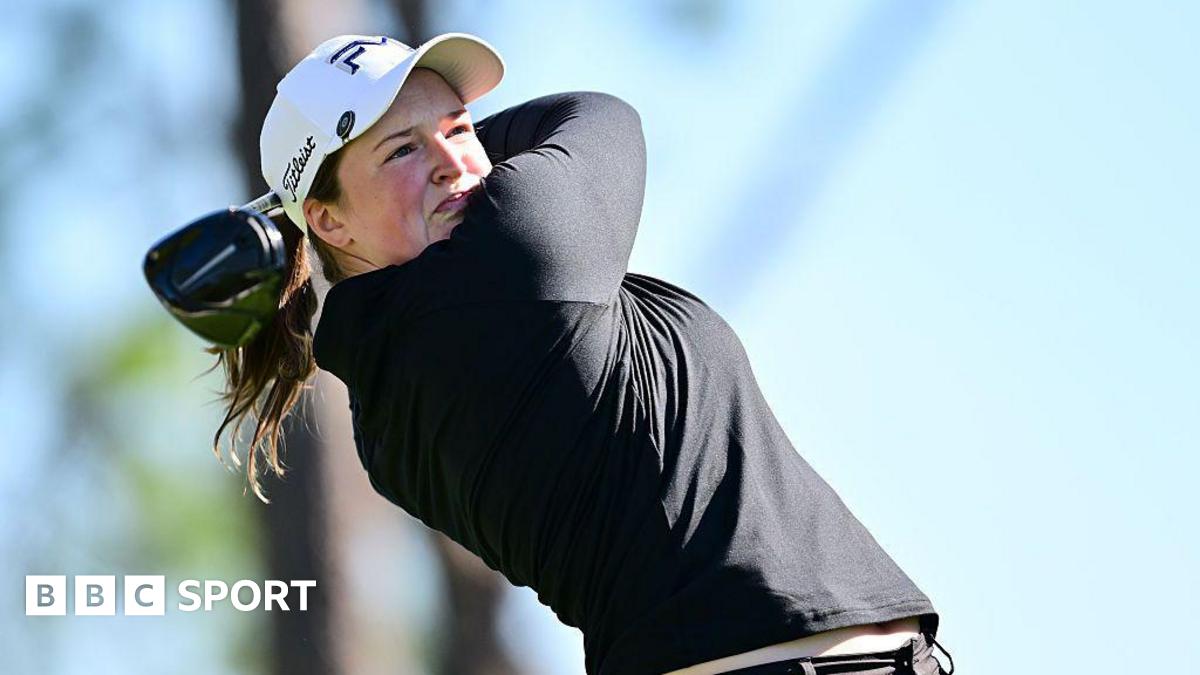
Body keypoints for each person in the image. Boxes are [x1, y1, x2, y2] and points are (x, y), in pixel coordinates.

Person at [212, 32, 954, 675]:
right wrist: (447, 159)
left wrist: (348, 182)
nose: (451, 161)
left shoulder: (383, 404)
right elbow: (596, 115)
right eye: (402, 150)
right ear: (330, 224)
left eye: (459, 125)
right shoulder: (508, 258)